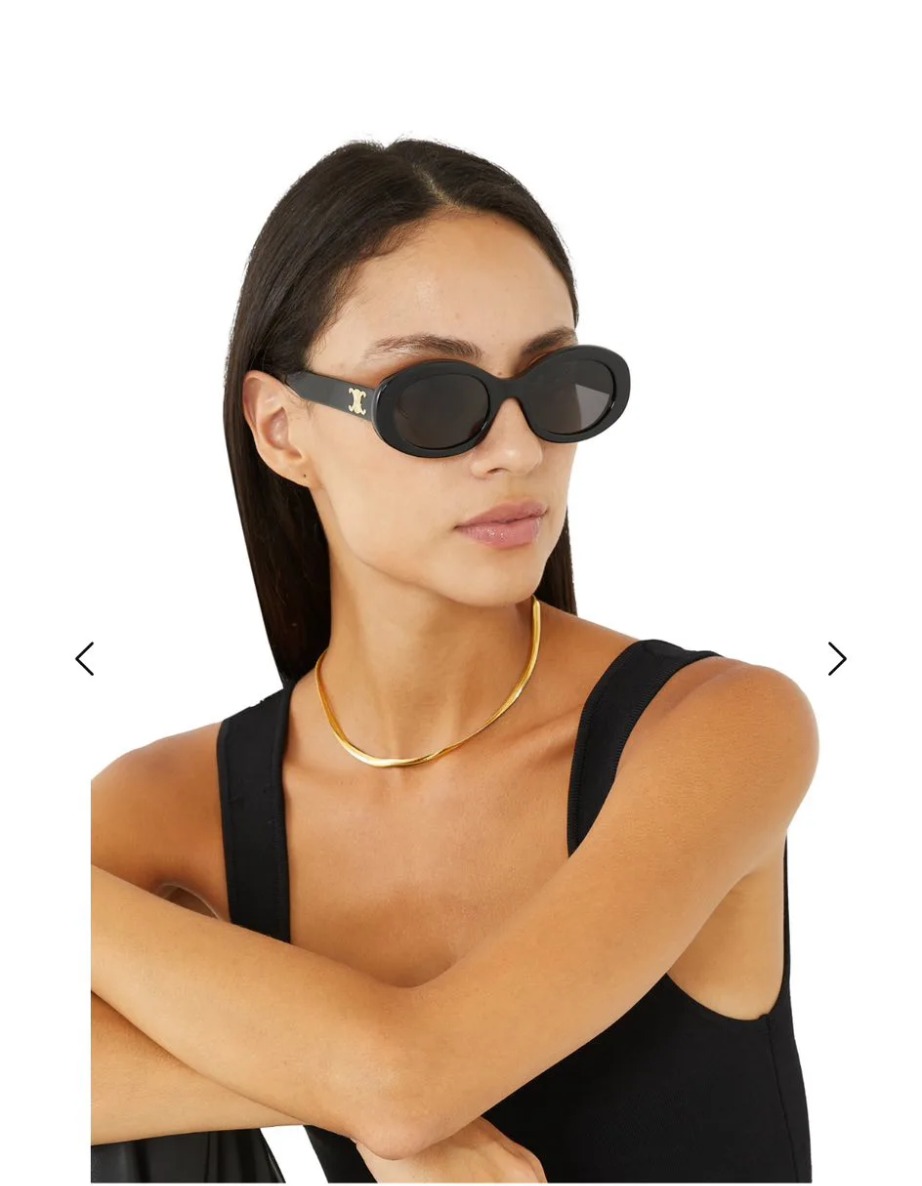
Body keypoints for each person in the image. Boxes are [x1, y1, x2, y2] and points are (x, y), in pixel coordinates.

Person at [91, 136, 815, 1182]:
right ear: (284, 430)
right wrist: (336, 1085)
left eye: (556, 384)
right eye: (432, 397)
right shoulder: (174, 805)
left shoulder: (718, 728)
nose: (518, 450)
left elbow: (410, 1081)